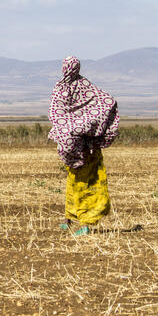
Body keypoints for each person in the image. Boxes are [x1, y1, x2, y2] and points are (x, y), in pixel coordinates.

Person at [48, 56, 119, 235]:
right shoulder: (86, 86)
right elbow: (107, 101)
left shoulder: (60, 87)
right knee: (82, 180)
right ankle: (70, 219)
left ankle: (85, 224)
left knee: (79, 180)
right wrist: (86, 124)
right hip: (87, 144)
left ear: (64, 68)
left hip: (72, 144)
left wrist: (69, 129)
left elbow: (56, 114)